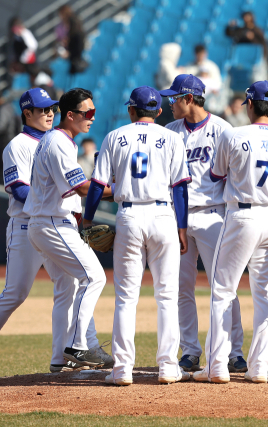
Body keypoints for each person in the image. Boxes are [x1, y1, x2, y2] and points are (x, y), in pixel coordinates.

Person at [0, 88, 111, 377]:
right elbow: (18, 189)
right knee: (16, 292)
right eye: (42, 109)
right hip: (26, 225)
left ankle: (64, 356)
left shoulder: (55, 141)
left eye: (51, 109)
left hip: (55, 222)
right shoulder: (17, 146)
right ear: (26, 113)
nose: (47, 113)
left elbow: (69, 192)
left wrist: (80, 220)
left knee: (69, 288)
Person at [83, 86, 191, 386]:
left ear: (131, 110)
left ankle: (121, 370)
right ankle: (169, 366)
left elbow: (96, 184)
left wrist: (87, 219)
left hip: (129, 215)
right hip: (163, 216)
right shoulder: (172, 138)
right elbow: (180, 187)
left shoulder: (114, 136)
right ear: (159, 111)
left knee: (125, 299)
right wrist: (182, 227)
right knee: (167, 296)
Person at [192, 81, 268, 384]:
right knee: (264, 293)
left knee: (223, 291)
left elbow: (216, 174)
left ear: (249, 105)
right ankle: (259, 367)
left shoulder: (233, 134)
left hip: (242, 214)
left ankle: (217, 366)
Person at [158, 74, 247, 374]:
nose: (170, 103)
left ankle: (234, 352)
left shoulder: (223, 130)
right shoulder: (169, 132)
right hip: (176, 217)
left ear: (189, 99)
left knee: (223, 286)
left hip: (213, 214)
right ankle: (191, 350)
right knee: (181, 286)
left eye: (174, 98)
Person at [24, 88, 114, 368]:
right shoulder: (59, 142)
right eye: (87, 113)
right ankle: (77, 346)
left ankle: (58, 360)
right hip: (52, 223)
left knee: (69, 288)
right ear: (70, 114)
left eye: (94, 113)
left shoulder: (58, 140)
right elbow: (82, 187)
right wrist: (124, 190)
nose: (91, 118)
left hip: (47, 223)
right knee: (95, 277)